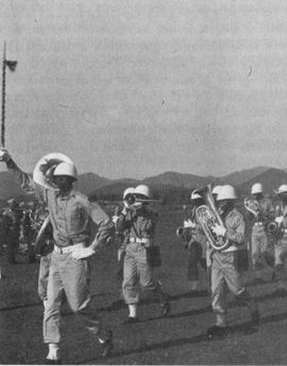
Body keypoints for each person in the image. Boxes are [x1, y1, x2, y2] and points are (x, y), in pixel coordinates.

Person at [0, 149, 114, 364]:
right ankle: (53, 353)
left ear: (71, 180)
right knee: (50, 304)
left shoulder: (82, 200)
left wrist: (91, 249)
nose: (59, 182)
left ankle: (103, 334)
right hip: (56, 257)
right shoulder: (49, 195)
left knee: (78, 306)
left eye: (64, 179)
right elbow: (26, 182)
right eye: (57, 178)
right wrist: (9, 161)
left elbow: (106, 224)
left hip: (76, 258)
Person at [206, 184, 259, 337]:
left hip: (230, 256)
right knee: (216, 290)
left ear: (231, 201)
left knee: (236, 290)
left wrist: (224, 231)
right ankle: (221, 323)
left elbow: (241, 238)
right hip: (217, 256)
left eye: (224, 201)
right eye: (220, 201)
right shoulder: (217, 215)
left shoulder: (238, 217)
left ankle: (251, 304)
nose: (220, 204)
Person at [115, 185, 170, 323]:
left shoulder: (151, 213)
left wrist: (137, 209)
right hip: (130, 248)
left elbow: (148, 224)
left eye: (141, 198)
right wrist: (125, 211)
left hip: (144, 248)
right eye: (136, 197)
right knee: (128, 282)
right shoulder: (130, 212)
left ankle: (162, 298)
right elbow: (120, 227)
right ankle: (132, 314)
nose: (137, 200)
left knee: (146, 283)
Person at [180, 189, 208, 295]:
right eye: (194, 201)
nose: (195, 203)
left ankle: (215, 284)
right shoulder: (193, 210)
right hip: (194, 240)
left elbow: (207, 228)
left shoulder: (205, 211)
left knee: (204, 263)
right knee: (192, 263)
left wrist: (193, 225)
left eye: (197, 201)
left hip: (203, 239)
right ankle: (194, 289)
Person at [246, 182, 275, 283]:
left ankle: (272, 271)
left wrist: (263, 213)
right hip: (255, 229)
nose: (254, 196)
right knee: (255, 253)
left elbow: (272, 215)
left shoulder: (267, 202)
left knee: (265, 252)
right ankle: (258, 276)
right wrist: (250, 212)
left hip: (265, 228)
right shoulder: (251, 203)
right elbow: (248, 217)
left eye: (256, 194)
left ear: (260, 193)